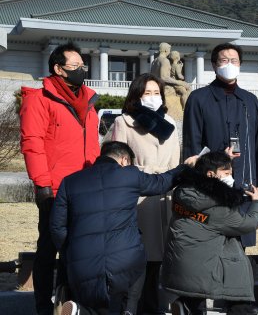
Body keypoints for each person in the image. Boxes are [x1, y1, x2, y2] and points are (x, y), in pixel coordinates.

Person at [50, 141, 189, 315]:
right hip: (125, 259)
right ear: (124, 160)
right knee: (134, 275)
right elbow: (162, 182)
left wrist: (69, 253)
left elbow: (57, 227)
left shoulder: (70, 182)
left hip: (81, 262)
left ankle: (80, 310)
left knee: (98, 305)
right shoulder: (130, 175)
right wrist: (184, 168)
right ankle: (129, 311)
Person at [182, 42, 258, 314]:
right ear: (214, 64)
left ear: (240, 64)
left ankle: (237, 301)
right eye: (223, 59)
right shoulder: (199, 99)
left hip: (244, 181)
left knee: (238, 243)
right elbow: (192, 148)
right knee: (207, 243)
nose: (228, 63)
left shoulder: (250, 100)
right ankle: (197, 300)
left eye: (233, 59)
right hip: (211, 185)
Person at [19, 41, 100, 315]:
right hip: (55, 189)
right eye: (75, 66)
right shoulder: (39, 99)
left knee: (76, 251)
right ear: (58, 68)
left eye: (82, 66)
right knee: (47, 250)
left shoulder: (88, 100)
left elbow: (93, 145)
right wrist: (42, 184)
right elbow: (32, 143)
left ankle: (68, 305)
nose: (81, 70)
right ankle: (43, 307)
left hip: (85, 187)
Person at [107, 73, 180, 314]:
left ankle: (156, 303)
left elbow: (175, 162)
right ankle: (137, 306)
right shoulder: (124, 122)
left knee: (161, 258)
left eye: (156, 93)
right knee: (141, 257)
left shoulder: (169, 122)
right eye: (146, 93)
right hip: (138, 197)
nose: (152, 98)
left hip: (165, 196)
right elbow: (115, 163)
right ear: (136, 96)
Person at [161, 151, 258, 315]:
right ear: (210, 174)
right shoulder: (219, 205)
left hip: (178, 265)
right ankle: (240, 307)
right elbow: (248, 224)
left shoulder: (182, 190)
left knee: (195, 294)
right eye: (226, 173)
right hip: (203, 267)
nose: (230, 177)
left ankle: (186, 306)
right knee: (238, 261)